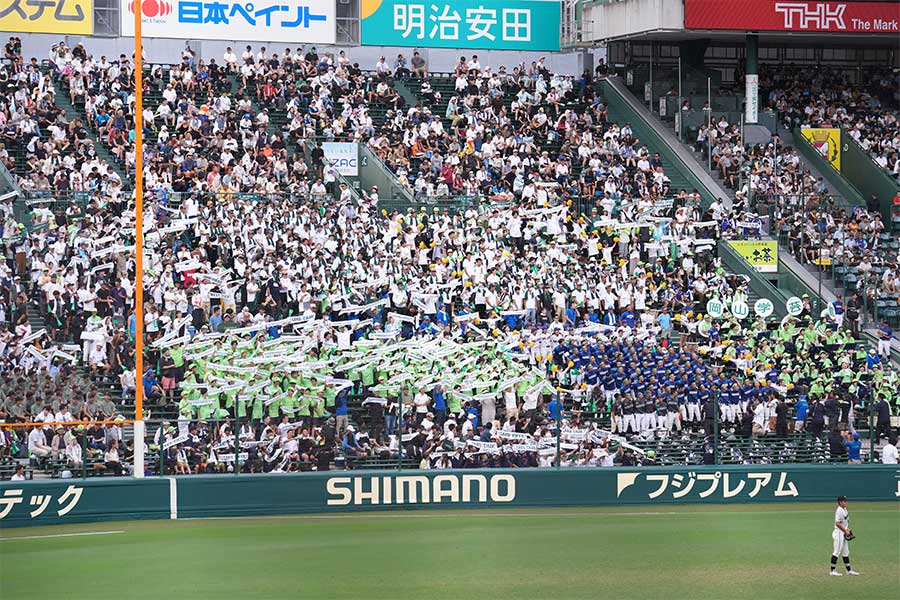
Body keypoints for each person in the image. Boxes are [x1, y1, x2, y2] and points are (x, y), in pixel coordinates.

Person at [829, 495, 859, 576]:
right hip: (838, 533)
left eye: (846, 501)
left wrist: (847, 529)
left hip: (843, 532)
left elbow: (844, 522)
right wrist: (845, 530)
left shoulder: (844, 509)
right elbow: (837, 523)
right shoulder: (839, 510)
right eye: (844, 501)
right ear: (840, 502)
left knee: (845, 552)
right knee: (837, 552)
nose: (845, 502)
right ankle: (832, 571)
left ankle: (849, 570)